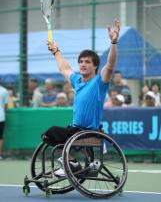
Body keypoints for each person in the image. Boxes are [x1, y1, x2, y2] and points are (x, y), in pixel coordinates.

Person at [44, 20, 120, 176]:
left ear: (95, 66)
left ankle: (70, 164)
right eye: (81, 61)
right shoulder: (77, 81)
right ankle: (71, 162)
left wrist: (113, 42)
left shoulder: (100, 81)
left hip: (90, 132)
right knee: (48, 135)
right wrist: (56, 52)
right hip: (75, 130)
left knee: (52, 131)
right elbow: (64, 68)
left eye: (87, 62)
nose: (83, 64)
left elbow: (111, 65)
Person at [0, 80, 9, 159]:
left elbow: (6, 105)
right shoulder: (4, 91)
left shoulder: (4, 91)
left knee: (0, 137)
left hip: (1, 117)